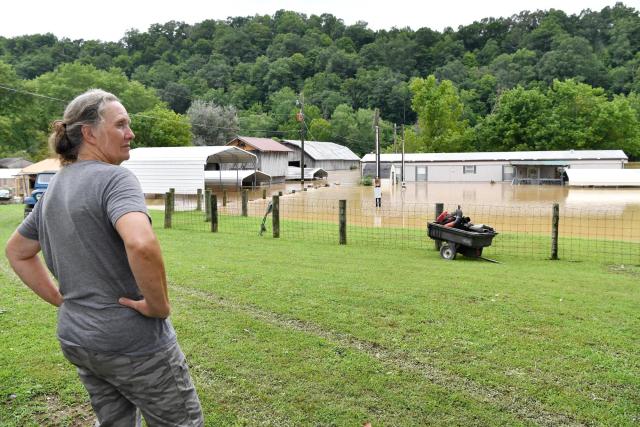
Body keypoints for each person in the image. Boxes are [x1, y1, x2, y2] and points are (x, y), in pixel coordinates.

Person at [5, 89, 203, 426]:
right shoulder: (116, 179)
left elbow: (17, 251)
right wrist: (158, 306)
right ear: (88, 133)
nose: (131, 133)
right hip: (134, 343)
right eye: (121, 125)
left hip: (78, 339)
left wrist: (59, 300)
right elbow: (141, 244)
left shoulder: (55, 186)